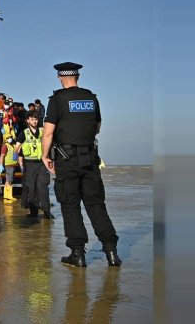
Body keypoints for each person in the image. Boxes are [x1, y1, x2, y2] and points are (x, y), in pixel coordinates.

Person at [42, 62, 120, 267]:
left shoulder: (57, 100)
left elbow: (48, 132)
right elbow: (97, 127)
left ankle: (77, 253)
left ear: (60, 77)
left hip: (66, 159)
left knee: (70, 204)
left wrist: (44, 156)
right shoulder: (91, 98)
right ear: (78, 77)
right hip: (90, 158)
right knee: (96, 204)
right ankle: (111, 252)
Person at [16, 110, 53, 219]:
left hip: (42, 163)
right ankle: (33, 212)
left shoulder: (43, 131)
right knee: (31, 188)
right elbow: (16, 148)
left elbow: (50, 141)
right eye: (32, 119)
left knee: (43, 187)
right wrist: (19, 155)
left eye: (36, 119)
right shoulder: (24, 133)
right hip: (29, 164)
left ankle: (47, 212)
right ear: (28, 120)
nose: (35, 121)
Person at [0, 135, 20, 202]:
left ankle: (6, 195)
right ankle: (9, 195)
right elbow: (2, 156)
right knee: (9, 181)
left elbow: (16, 154)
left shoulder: (13, 145)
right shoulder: (5, 146)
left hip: (13, 165)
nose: (10, 139)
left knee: (8, 180)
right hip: (9, 165)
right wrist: (1, 165)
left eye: (10, 137)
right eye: (8, 138)